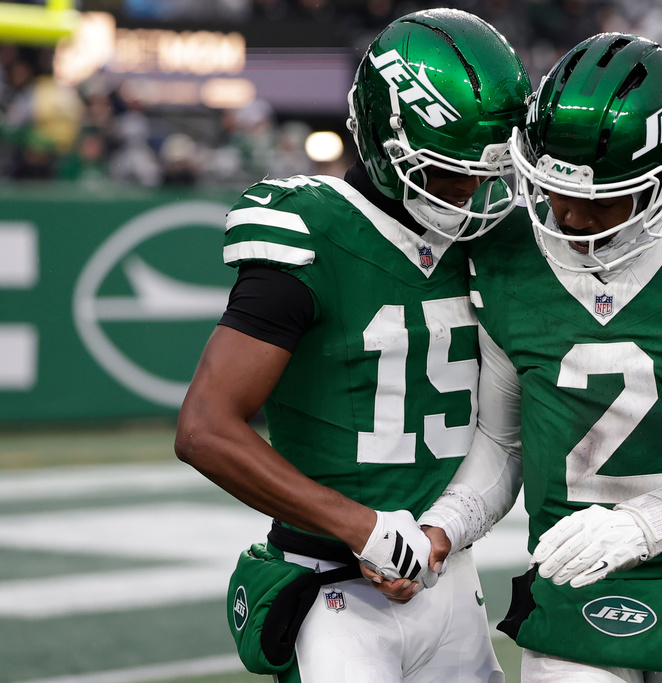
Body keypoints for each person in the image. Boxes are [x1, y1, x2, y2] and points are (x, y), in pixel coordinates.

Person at [410, 32, 662, 682]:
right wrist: (442, 529)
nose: (564, 212)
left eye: (597, 194)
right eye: (550, 185)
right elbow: (503, 442)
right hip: (569, 574)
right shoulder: (507, 250)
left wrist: (644, 524)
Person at [174, 9, 530, 682]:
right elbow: (204, 428)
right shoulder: (310, 230)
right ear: (384, 142)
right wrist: (360, 525)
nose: (474, 193)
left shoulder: (495, 240)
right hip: (331, 591)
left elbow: (507, 432)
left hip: (448, 575)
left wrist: (440, 532)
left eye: (486, 172)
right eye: (449, 172)